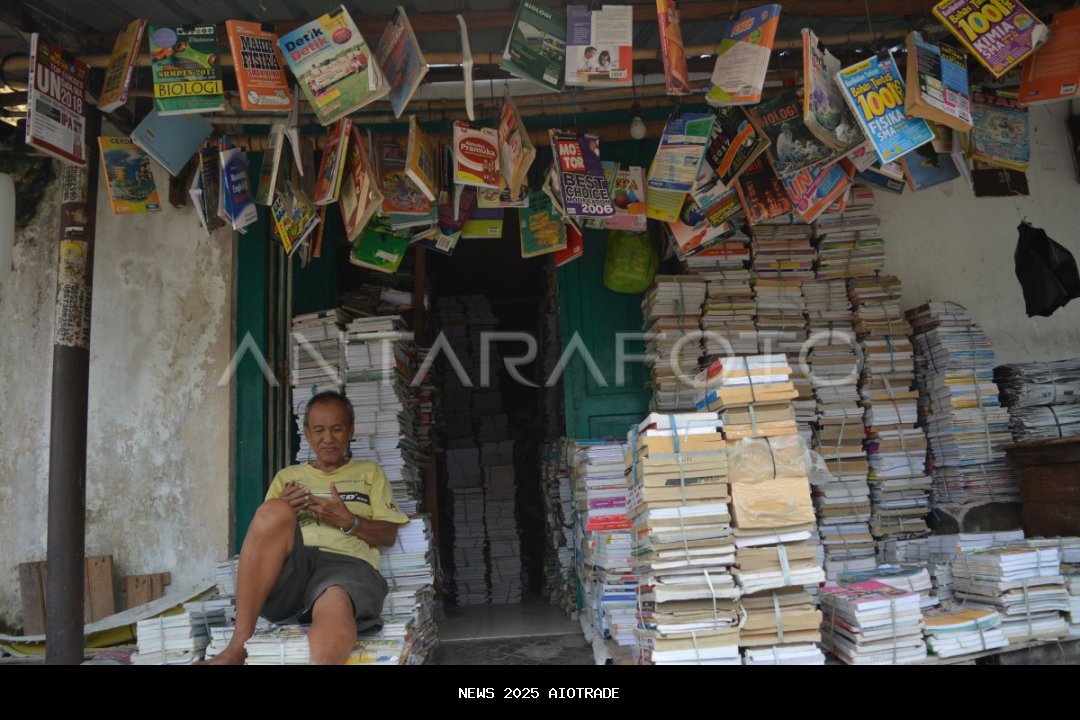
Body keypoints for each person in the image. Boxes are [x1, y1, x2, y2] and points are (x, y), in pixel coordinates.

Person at [202, 391, 408, 665]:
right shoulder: (287, 477)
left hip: (346, 567)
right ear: (307, 434)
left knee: (334, 597)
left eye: (337, 429)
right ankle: (237, 648)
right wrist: (282, 507)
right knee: (273, 510)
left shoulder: (370, 473)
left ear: (351, 432)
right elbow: (263, 533)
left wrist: (349, 521)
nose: (328, 438)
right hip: (294, 569)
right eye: (319, 430)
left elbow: (389, 535)